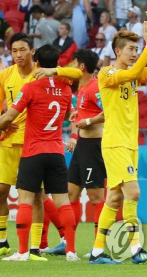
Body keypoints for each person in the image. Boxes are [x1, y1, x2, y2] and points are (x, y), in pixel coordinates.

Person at [0, 33, 82, 261]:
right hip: (50, 149)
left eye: (22, 50)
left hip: (32, 147)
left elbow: (9, 114)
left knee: (29, 199)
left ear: (34, 55)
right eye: (14, 50)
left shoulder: (32, 86)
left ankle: (28, 250)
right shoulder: (65, 87)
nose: (18, 54)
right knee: (58, 200)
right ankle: (70, 249)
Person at [88, 19, 147, 265]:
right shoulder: (107, 73)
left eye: (136, 50)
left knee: (114, 199)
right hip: (114, 143)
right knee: (133, 192)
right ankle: (136, 250)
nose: (134, 54)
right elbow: (132, 72)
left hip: (129, 144)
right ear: (117, 51)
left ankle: (97, 252)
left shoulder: (134, 74)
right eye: (131, 49)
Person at [64, 49, 106, 253]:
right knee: (71, 194)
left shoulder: (95, 87)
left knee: (96, 197)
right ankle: (69, 247)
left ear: (81, 66)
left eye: (74, 63)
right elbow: (86, 111)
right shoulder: (82, 88)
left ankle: (98, 247)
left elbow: (108, 112)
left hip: (94, 147)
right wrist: (77, 116)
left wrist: (87, 121)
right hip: (81, 145)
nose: (71, 67)